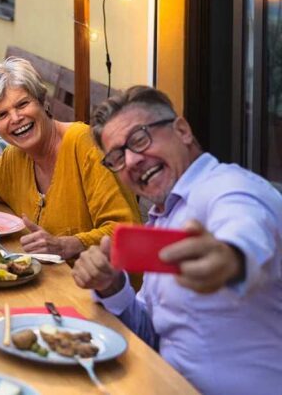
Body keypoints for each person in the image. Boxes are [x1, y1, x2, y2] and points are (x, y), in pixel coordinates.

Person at [71, 86, 282, 394]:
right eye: (117, 157)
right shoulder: (162, 218)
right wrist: (112, 286)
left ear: (182, 130)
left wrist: (229, 260)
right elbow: (153, 334)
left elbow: (244, 237)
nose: (130, 161)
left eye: (140, 139)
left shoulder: (230, 188)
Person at [0, 57, 140, 260]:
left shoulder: (85, 144)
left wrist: (67, 245)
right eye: (2, 115)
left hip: (103, 287)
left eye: (22, 104)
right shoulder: (15, 157)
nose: (16, 118)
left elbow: (126, 232)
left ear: (42, 101)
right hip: (48, 281)